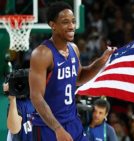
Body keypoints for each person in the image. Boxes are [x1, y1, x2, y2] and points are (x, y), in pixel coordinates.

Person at [29, 1, 116, 141]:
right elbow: (36, 97)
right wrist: (58, 129)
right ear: (53, 25)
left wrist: (102, 61)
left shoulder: (73, 48)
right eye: (65, 22)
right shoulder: (42, 54)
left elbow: (79, 78)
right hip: (49, 127)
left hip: (73, 121)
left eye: (73, 22)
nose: (71, 26)